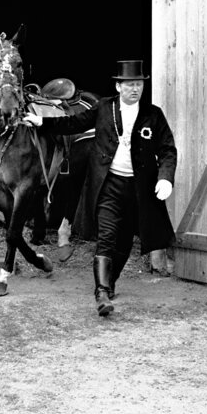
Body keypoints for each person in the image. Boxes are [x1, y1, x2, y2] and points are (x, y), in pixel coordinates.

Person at [23, 60, 177, 317]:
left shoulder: (153, 114)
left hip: (137, 188)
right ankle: (101, 293)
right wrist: (43, 123)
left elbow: (167, 150)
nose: (134, 89)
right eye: (129, 85)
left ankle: (110, 282)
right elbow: (73, 123)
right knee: (106, 236)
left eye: (138, 84)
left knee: (125, 241)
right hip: (108, 185)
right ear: (118, 86)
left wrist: (165, 178)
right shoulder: (104, 108)